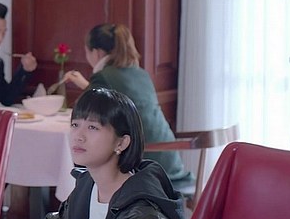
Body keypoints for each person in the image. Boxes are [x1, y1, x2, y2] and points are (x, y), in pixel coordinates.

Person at [0, 88, 197, 219]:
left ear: (121, 142)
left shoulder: (142, 209)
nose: (78, 136)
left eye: (93, 127)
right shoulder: (86, 186)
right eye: (75, 125)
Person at [62, 23, 194, 191]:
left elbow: (89, 111)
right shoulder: (141, 74)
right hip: (168, 161)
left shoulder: (103, 76)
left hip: (144, 165)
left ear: (97, 52)